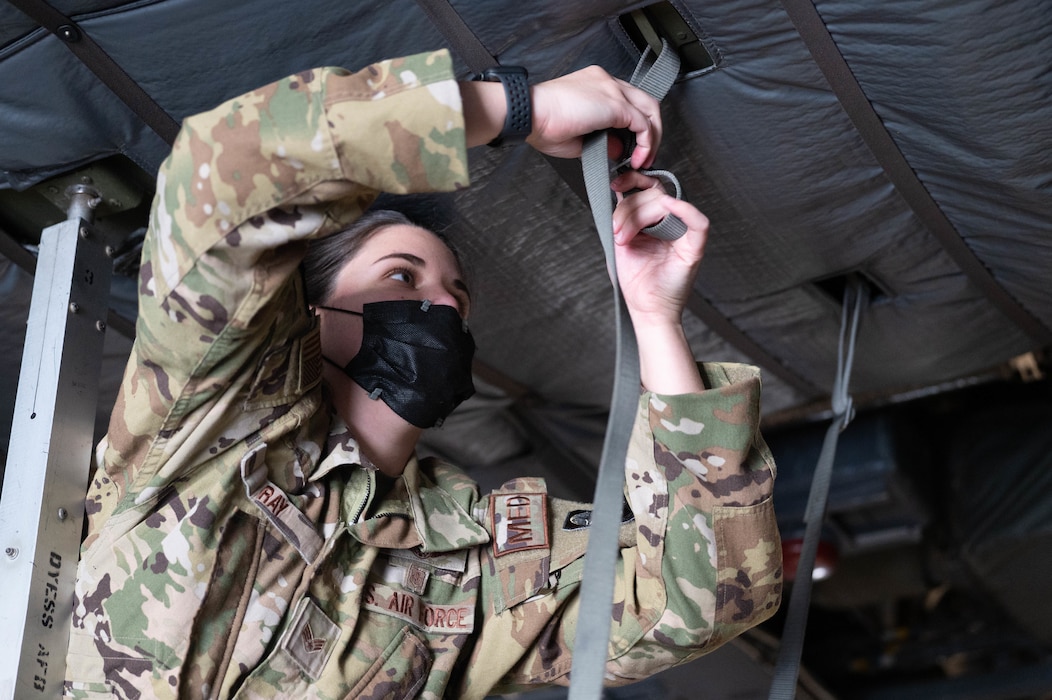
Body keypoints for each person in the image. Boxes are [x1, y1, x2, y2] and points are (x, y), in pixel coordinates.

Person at [64, 50, 781, 699]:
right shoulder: (213, 415)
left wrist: (655, 319)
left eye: (457, 298)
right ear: (311, 312)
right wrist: (519, 110)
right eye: (402, 275)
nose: (441, 304)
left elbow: (705, 601)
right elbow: (224, 168)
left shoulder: (469, 564)